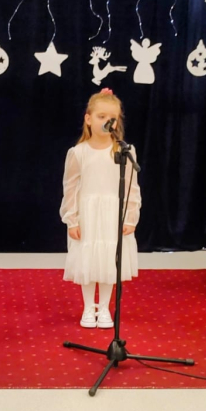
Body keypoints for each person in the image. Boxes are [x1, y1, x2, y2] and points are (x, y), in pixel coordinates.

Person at [60, 88, 141, 329]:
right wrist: (72, 220)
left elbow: (132, 187)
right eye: (101, 116)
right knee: (88, 260)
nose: (107, 121)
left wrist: (130, 217)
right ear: (88, 118)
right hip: (88, 215)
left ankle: (104, 307)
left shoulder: (125, 151)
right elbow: (70, 188)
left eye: (112, 118)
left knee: (109, 261)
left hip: (113, 215)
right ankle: (88, 307)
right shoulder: (78, 153)